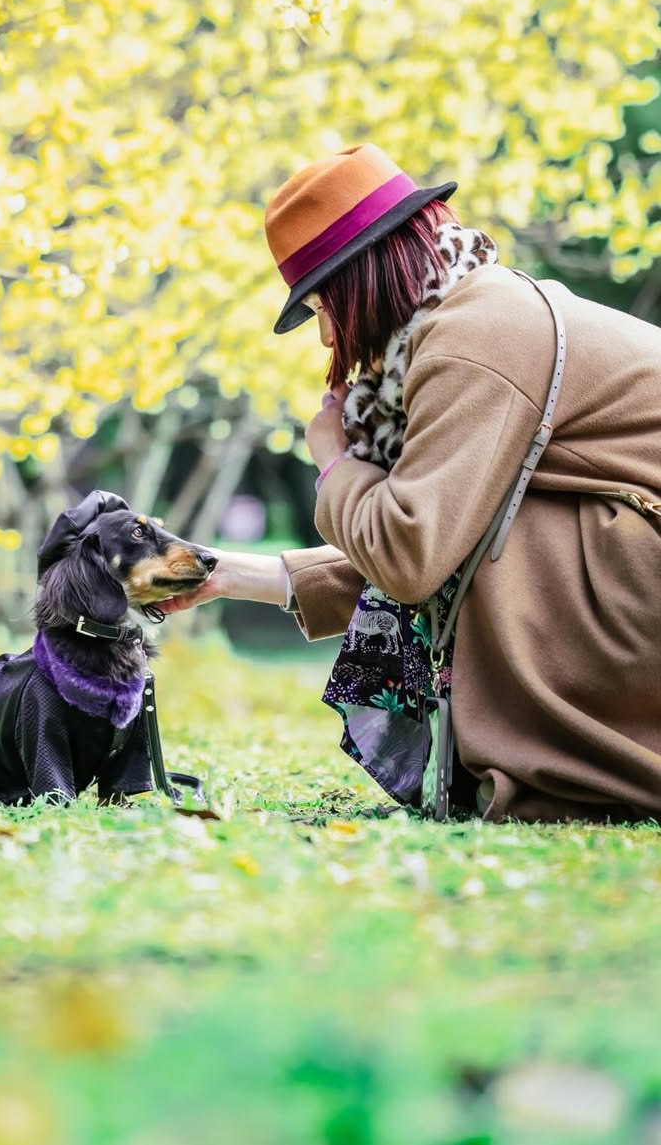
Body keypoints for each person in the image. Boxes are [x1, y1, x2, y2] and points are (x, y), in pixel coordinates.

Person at [162, 143, 661, 823]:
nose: (327, 337)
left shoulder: (472, 338)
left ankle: (572, 771)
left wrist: (335, 462)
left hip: (639, 568)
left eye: (322, 307)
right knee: (485, 518)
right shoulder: (463, 317)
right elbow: (430, 533)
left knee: (501, 528)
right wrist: (232, 574)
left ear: (361, 278)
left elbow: (410, 555)